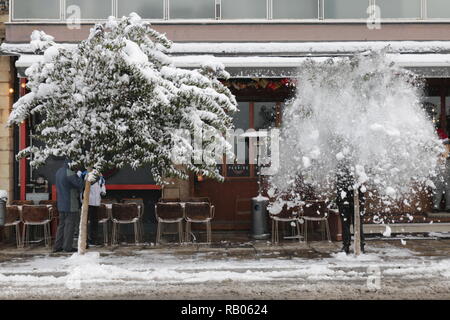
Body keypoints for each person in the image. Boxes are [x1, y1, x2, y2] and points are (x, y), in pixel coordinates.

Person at [53, 159, 84, 253]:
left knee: (61, 225)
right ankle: (67, 247)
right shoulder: (70, 173)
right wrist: (79, 175)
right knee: (70, 225)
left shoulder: (59, 172)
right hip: (71, 203)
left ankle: (57, 246)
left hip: (61, 203)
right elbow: (80, 184)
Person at [336, 162, 365, 254]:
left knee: (355, 223)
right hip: (346, 200)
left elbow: (362, 182)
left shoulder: (357, 166)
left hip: (355, 200)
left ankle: (358, 245)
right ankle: (348, 245)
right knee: (347, 224)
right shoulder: (343, 166)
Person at [81, 171, 106, 246]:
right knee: (86, 222)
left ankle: (93, 239)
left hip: (96, 202)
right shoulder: (86, 174)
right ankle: (85, 240)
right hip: (88, 202)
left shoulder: (100, 175)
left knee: (94, 222)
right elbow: (83, 186)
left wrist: (103, 191)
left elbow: (102, 185)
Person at [432, 129, 450, 213]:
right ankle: (436, 205)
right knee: (438, 187)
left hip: (447, 166)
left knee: (448, 187)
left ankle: (448, 206)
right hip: (438, 166)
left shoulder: (447, 144)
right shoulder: (435, 144)